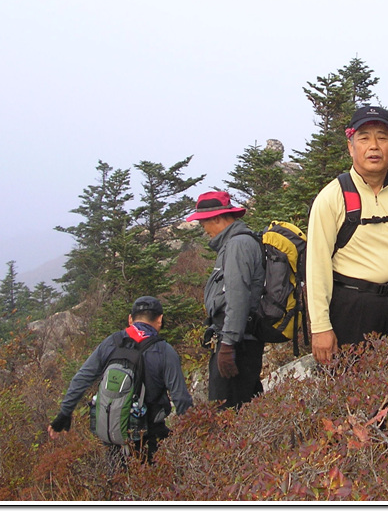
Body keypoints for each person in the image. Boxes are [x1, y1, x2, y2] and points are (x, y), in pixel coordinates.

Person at [306, 105, 388, 440]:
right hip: (351, 308)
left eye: (382, 137)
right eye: (364, 138)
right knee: (350, 397)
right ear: (351, 146)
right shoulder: (332, 198)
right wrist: (320, 327)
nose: (373, 146)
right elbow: (317, 265)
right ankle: (353, 474)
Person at [47, 296, 193, 468]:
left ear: (130, 319)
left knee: (117, 484)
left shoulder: (111, 343)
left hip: (113, 434)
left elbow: (81, 379)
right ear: (160, 319)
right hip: (150, 436)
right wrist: (193, 433)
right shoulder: (164, 351)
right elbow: (181, 398)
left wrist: (64, 414)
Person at [187, 191, 266, 410]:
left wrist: (228, 345)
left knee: (228, 414)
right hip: (241, 340)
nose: (204, 229)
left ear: (217, 218)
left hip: (237, 345)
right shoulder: (237, 243)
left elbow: (237, 296)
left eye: (204, 223)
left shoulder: (237, 245)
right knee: (243, 408)